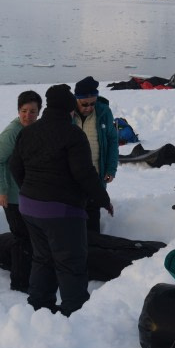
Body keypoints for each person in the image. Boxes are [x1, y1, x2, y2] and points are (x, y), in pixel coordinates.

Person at [10, 84, 113, 316]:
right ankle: (74, 314)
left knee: (42, 259)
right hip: (62, 212)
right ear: (70, 110)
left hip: (29, 207)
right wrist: (103, 199)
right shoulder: (73, 134)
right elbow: (84, 174)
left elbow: (14, 165)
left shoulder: (28, 132)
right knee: (71, 263)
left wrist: (29, 189)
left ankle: (39, 308)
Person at [0, 90, 42, 292]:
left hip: (29, 193)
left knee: (28, 236)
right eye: (23, 111)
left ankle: (14, 265)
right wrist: (1, 190)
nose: (27, 116)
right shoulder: (11, 133)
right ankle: (20, 282)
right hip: (12, 196)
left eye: (32, 111)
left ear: (39, 112)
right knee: (22, 237)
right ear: (18, 111)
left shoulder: (36, 129)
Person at [72, 76, 118, 233]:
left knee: (92, 215)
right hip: (72, 177)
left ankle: (94, 249)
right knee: (74, 217)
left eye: (93, 103)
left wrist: (111, 169)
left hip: (96, 175)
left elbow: (112, 140)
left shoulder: (104, 112)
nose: (88, 107)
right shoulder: (67, 113)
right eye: (84, 104)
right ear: (76, 100)